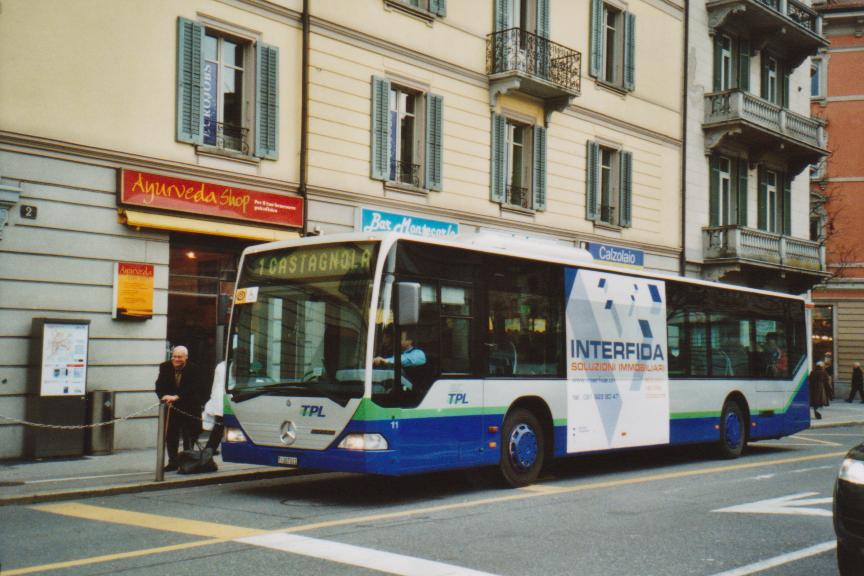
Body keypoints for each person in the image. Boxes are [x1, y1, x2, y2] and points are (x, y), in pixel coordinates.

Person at [155, 346, 207, 471]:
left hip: (189, 406)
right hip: (172, 408)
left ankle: (188, 462)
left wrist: (177, 396)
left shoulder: (194, 369)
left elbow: (194, 387)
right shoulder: (165, 367)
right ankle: (173, 462)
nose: (176, 359)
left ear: (186, 358)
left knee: (189, 435)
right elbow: (159, 384)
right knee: (171, 435)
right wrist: (164, 396)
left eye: (179, 357)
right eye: (174, 356)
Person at [202, 360, 226, 456]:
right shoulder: (224, 366)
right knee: (220, 425)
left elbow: (215, 384)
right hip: (224, 398)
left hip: (218, 397)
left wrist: (212, 397)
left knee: (219, 425)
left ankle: (210, 447)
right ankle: (210, 447)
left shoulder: (220, 365)